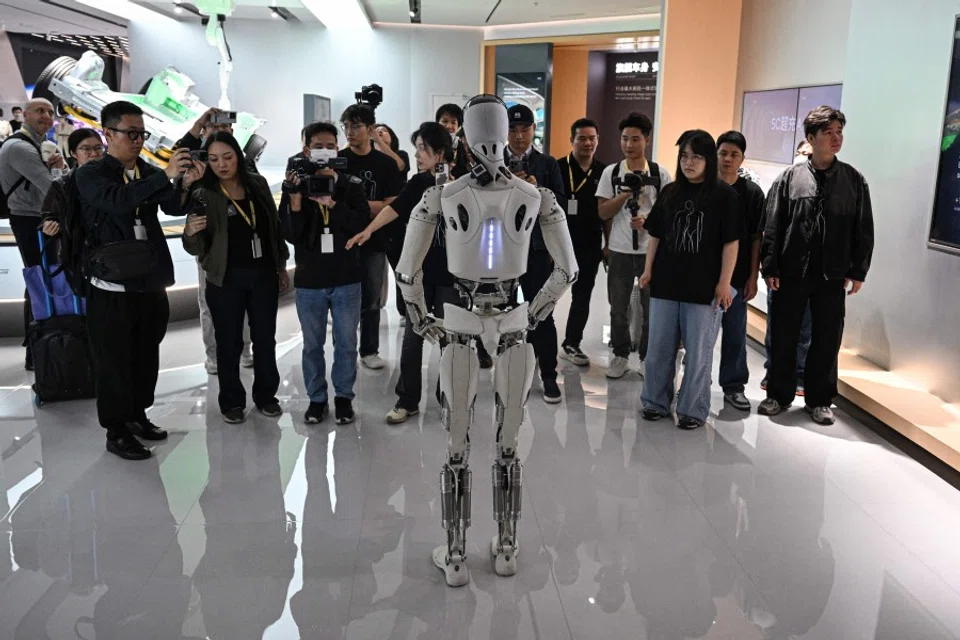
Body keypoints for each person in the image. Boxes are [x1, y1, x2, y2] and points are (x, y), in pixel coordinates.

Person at [75, 100, 202, 460]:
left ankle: (137, 415)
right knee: (113, 361)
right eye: (130, 133)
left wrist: (185, 184)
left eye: (141, 133)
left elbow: (172, 206)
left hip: (149, 280)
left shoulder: (145, 171)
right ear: (108, 133)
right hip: (111, 286)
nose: (137, 141)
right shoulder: (91, 174)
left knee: (146, 355)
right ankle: (116, 429)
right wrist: (165, 176)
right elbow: (117, 201)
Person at [759, 106, 874, 425]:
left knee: (826, 338)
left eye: (839, 132)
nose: (836, 138)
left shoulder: (853, 180)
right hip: (791, 272)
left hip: (832, 274)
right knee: (784, 334)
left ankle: (820, 399)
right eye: (828, 133)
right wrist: (770, 267)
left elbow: (863, 227)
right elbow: (773, 224)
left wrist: (857, 270)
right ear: (810, 138)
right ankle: (778, 394)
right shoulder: (789, 178)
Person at [347, 122, 459, 424]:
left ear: (441, 152)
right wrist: (368, 230)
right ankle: (407, 400)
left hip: (454, 276)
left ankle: (449, 398)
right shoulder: (419, 182)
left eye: (423, 148)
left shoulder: (464, 184)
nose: (418, 155)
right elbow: (394, 208)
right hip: (421, 274)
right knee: (413, 337)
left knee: (453, 340)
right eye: (417, 148)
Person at [182, 132, 289, 424]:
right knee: (228, 343)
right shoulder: (204, 192)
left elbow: (274, 227)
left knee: (265, 340)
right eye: (214, 159)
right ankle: (231, 401)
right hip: (225, 278)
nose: (222, 165)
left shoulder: (257, 184)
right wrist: (190, 232)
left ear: (238, 157)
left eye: (227, 157)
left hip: (262, 275)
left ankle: (266, 396)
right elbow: (195, 245)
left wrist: (280, 265)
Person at [639, 130, 739, 430]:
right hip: (666, 284)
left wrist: (724, 283)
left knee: (698, 353)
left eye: (696, 156)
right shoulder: (670, 193)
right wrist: (648, 270)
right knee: (658, 348)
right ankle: (655, 402)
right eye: (684, 156)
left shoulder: (725, 196)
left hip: (704, 288)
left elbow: (731, 243)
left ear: (708, 159)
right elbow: (655, 234)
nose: (689, 162)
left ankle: (693, 409)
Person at [281, 122, 369, 425]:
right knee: (312, 345)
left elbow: (360, 226)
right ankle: (316, 399)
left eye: (331, 145)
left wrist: (334, 202)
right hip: (310, 279)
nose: (325, 151)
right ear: (306, 150)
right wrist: (295, 201)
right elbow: (291, 235)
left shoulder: (351, 185)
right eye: (319, 146)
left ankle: (343, 397)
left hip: (346, 276)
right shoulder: (296, 186)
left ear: (338, 148)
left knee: (346, 343)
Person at [175, 107, 254, 373]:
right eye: (213, 127)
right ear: (204, 131)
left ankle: (244, 348)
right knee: (209, 303)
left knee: (244, 301)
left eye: (226, 128)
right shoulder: (195, 161)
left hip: (241, 245)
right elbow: (177, 158)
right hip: (208, 246)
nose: (220, 132)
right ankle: (214, 354)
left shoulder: (240, 161)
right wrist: (199, 123)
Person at [596, 111, 672, 380]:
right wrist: (625, 194)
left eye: (635, 139)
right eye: (625, 139)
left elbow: (668, 215)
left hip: (650, 253)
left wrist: (647, 222)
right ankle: (619, 354)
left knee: (651, 308)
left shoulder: (660, 174)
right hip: (619, 250)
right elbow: (603, 211)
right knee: (618, 307)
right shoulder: (612, 172)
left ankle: (646, 356)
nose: (629, 145)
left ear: (647, 140)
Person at [505, 103, 567, 403]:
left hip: (537, 249)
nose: (519, 136)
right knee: (503, 315)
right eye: (513, 130)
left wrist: (536, 189)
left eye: (525, 129)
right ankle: (514, 375)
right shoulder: (492, 161)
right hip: (501, 250)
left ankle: (549, 375)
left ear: (533, 130)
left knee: (542, 313)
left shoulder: (548, 164)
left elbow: (561, 205)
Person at [0, 98, 66, 370]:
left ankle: (46, 343)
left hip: (36, 219)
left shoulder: (35, 145)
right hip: (29, 222)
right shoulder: (19, 147)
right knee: (39, 280)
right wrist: (60, 170)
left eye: (50, 112)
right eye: (40, 111)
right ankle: (38, 348)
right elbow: (51, 186)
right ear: (24, 114)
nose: (47, 116)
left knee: (43, 278)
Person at [338, 104, 402, 370]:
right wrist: (367, 205)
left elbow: (393, 204)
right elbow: (332, 201)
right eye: (346, 127)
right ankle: (344, 350)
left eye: (356, 126)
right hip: (343, 238)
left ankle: (369, 349)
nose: (350, 132)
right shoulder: (338, 160)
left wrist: (357, 205)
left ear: (370, 129)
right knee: (343, 300)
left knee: (372, 299)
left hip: (375, 238)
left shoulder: (385, 163)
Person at [715, 131, 765, 412]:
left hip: (737, 276)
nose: (728, 159)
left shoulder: (752, 193)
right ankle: (688, 384)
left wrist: (752, 275)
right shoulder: (704, 187)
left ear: (742, 158)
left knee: (735, 332)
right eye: (723, 153)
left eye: (734, 154)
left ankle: (734, 387)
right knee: (694, 336)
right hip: (704, 276)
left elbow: (757, 237)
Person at [557, 118, 606, 367]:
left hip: (589, 242)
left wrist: (606, 245)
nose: (587, 143)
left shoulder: (604, 172)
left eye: (592, 138)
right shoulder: (556, 168)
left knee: (582, 295)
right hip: (557, 243)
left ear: (597, 140)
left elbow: (607, 211)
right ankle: (536, 340)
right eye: (582, 138)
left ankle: (571, 343)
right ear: (572, 140)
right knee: (548, 294)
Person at [374, 122, 411, 321]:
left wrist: (377, 140)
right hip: (376, 216)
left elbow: (399, 166)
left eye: (384, 131)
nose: (379, 133)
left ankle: (404, 310)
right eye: (376, 131)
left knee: (400, 267)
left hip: (397, 218)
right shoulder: (372, 159)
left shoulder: (401, 155)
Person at [39, 128, 105, 241]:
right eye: (86, 149)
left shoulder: (116, 179)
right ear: (73, 153)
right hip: (78, 250)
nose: (94, 153)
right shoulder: (62, 185)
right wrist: (49, 225)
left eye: (98, 148)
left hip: (111, 248)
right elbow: (50, 215)